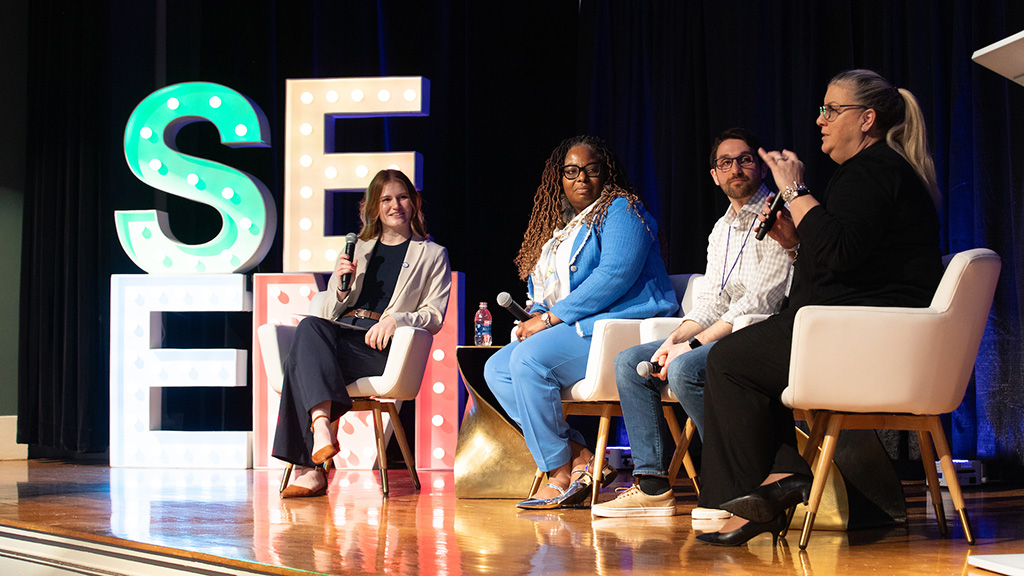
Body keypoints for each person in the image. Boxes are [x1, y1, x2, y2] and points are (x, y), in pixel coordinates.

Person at [695, 69, 944, 546]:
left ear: (867, 119)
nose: (820, 119)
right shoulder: (871, 172)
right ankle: (776, 481)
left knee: (726, 362)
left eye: (832, 109)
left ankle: (752, 497)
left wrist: (793, 189)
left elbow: (840, 254)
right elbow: (841, 258)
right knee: (741, 357)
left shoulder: (873, 172)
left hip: (866, 336)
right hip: (851, 326)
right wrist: (794, 243)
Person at [592, 128, 792, 519]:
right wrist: (676, 338)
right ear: (714, 175)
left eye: (745, 159)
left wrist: (693, 347)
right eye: (725, 163)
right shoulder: (721, 230)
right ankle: (652, 486)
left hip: (762, 336)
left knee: (685, 368)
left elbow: (758, 304)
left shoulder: (774, 217)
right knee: (630, 364)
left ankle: (738, 481)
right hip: (723, 332)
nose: (736, 168)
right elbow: (710, 304)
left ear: (761, 169)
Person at [483, 135, 678, 510]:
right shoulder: (565, 230)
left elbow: (615, 275)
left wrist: (551, 318)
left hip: (623, 327)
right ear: (560, 179)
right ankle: (580, 457)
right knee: (498, 368)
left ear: (608, 174)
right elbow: (555, 289)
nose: (581, 179)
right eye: (571, 172)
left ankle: (557, 472)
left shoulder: (624, 210)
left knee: (528, 361)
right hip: (582, 328)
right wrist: (535, 315)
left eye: (592, 170)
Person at [273, 169, 452, 498]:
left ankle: (312, 465)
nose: (395, 205)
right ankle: (322, 431)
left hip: (381, 346)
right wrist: (339, 287)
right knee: (310, 329)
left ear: (414, 203)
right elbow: (326, 311)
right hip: (342, 334)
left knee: (298, 361)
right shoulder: (359, 249)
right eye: (386, 199)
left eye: (401, 197)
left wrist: (397, 320)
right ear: (373, 207)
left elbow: (435, 314)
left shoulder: (431, 254)